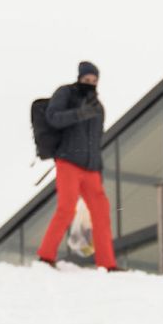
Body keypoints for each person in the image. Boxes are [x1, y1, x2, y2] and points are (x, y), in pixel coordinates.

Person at [37, 62, 118, 271]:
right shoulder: (66, 93)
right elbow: (53, 118)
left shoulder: (98, 108)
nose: (90, 83)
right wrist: (79, 114)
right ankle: (46, 256)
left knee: (101, 212)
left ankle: (107, 263)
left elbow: (96, 140)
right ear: (80, 78)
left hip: (91, 168)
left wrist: (98, 169)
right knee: (66, 208)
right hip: (68, 161)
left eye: (94, 80)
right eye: (87, 79)